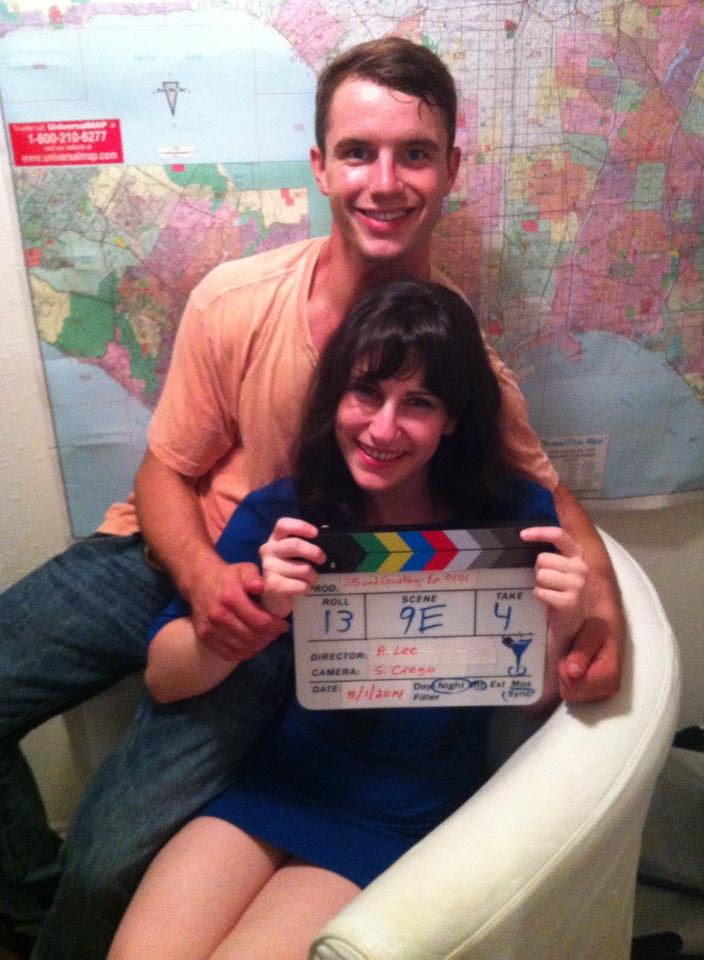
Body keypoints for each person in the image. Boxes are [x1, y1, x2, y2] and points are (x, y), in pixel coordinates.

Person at [0, 37, 622, 960]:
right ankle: (23, 910)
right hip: (183, 555)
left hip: (301, 616)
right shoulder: (236, 300)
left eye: (415, 153)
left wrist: (597, 621)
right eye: (358, 152)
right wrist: (208, 582)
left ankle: (66, 915)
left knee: (106, 860)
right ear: (320, 164)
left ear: (451, 170)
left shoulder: (462, 363)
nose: (385, 181)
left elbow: (549, 504)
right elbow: (163, 471)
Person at [107, 280, 588, 960]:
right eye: (366, 393)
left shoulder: (513, 517)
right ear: (336, 396)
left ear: (452, 418)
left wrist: (563, 623)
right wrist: (260, 612)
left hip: (400, 807)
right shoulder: (285, 514)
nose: (382, 429)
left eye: (418, 403)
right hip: (274, 783)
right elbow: (165, 676)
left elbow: (528, 699)